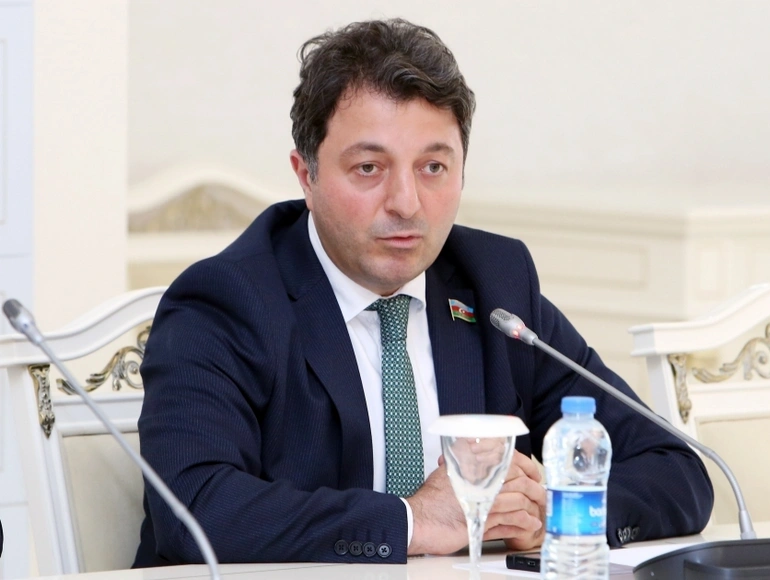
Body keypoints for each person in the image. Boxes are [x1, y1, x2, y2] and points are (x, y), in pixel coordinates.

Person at [133, 18, 713, 567]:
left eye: (433, 167)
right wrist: (413, 521)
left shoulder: (493, 285)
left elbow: (674, 470)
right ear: (306, 175)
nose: (406, 203)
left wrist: (549, 513)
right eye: (369, 168)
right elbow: (195, 508)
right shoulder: (227, 301)